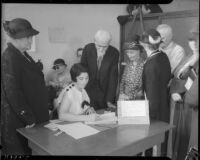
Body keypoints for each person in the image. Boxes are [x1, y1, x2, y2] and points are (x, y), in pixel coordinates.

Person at [1, 18, 49, 155]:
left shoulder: (23, 54)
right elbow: (13, 92)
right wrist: (28, 117)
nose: (31, 41)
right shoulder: (9, 57)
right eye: (27, 37)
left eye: (31, 37)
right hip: (21, 122)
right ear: (15, 38)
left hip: (33, 118)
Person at [168, 22, 199, 160]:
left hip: (193, 107)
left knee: (192, 142)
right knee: (182, 140)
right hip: (182, 105)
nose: (194, 44)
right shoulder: (188, 57)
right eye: (191, 41)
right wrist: (175, 91)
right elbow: (178, 78)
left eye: (197, 41)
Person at [140, 28, 171, 156]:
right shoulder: (163, 56)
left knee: (153, 146)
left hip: (154, 111)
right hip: (163, 104)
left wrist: (149, 117)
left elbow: (151, 94)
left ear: (144, 45)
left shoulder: (152, 64)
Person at [81, 29, 119, 111]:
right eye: (99, 46)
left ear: (109, 43)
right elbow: (81, 70)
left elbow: (113, 78)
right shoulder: (88, 49)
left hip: (104, 91)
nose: (101, 49)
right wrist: (80, 92)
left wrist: (109, 99)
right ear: (94, 41)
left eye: (105, 46)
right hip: (88, 89)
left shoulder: (114, 53)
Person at [118, 35, 146, 100]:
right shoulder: (128, 63)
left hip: (138, 101)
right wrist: (121, 93)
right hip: (124, 99)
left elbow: (143, 88)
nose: (129, 55)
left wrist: (130, 97)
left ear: (139, 51)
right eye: (127, 52)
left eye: (132, 52)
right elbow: (123, 81)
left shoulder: (145, 65)